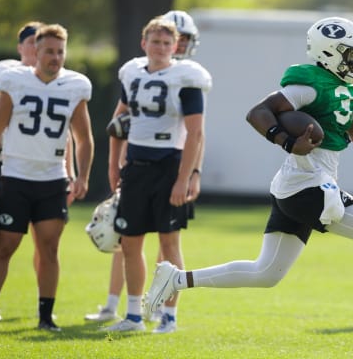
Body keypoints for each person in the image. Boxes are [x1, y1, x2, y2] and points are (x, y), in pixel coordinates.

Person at [143, 16, 353, 320]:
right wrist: (286, 141)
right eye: (348, 52)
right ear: (329, 52)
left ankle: (176, 279)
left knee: (265, 273)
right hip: (309, 185)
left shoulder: (342, 88)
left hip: (298, 186)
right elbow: (259, 112)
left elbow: (344, 129)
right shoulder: (310, 83)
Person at [85, 10, 205, 328]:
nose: (161, 46)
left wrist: (185, 177)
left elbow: (196, 133)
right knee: (130, 242)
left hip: (169, 165)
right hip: (136, 165)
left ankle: (169, 315)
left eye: (167, 42)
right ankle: (134, 314)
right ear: (144, 42)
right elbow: (117, 122)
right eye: (155, 41)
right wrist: (114, 164)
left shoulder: (188, 78)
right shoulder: (132, 73)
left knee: (168, 244)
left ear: (175, 45)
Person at [0, 23, 94, 331]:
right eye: (49, 51)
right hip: (15, 174)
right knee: (5, 245)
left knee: (49, 248)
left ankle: (46, 317)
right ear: (34, 51)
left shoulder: (75, 86)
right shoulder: (14, 81)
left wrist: (81, 176)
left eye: (60, 51)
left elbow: (84, 138)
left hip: (51, 179)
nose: (55, 57)